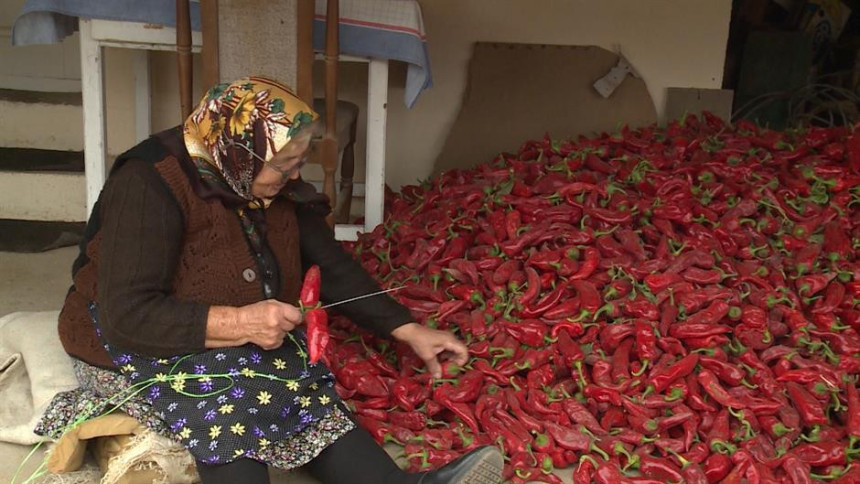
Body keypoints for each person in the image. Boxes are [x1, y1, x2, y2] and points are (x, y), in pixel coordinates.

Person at [37, 77, 503, 484]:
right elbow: (129, 316)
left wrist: (406, 328)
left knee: (295, 372)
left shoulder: (257, 180)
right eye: (285, 165)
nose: (295, 175)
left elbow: (330, 264)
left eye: (299, 162)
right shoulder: (149, 185)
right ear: (241, 149)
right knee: (227, 390)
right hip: (127, 333)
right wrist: (239, 323)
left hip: (219, 327)